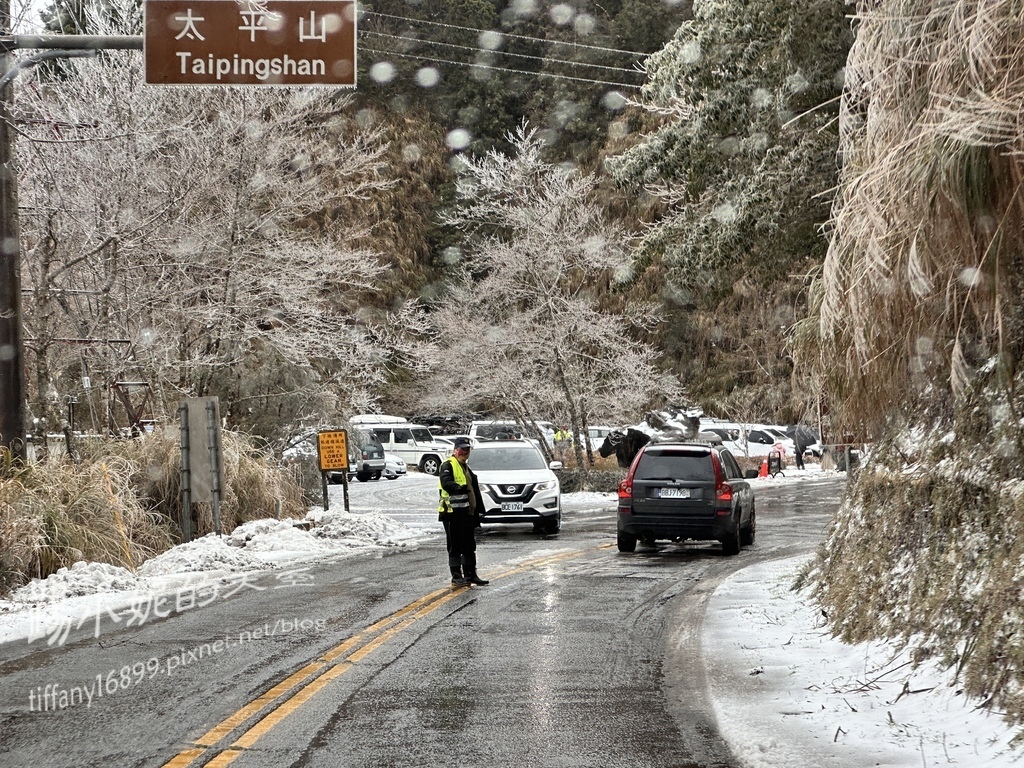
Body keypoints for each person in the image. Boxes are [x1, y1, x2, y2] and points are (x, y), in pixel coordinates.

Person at [438, 437, 489, 587]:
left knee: (469, 546)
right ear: (455, 450)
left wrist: (479, 510)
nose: (465, 452)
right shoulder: (448, 465)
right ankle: (456, 576)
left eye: (467, 450)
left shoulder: (465, 467)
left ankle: (470, 574)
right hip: (452, 513)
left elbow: (473, 489)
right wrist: (457, 488)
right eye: (462, 449)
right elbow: (445, 482)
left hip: (467, 513)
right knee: (455, 546)